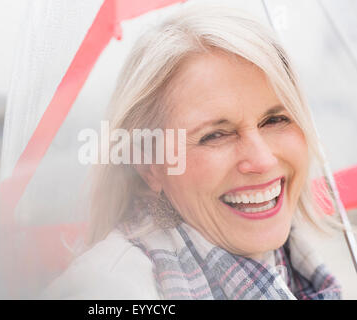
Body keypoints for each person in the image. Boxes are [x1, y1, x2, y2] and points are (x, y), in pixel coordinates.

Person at [43, 4, 341, 300]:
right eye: (215, 135)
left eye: (276, 119)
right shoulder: (103, 290)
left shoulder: (302, 266)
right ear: (149, 165)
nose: (262, 161)